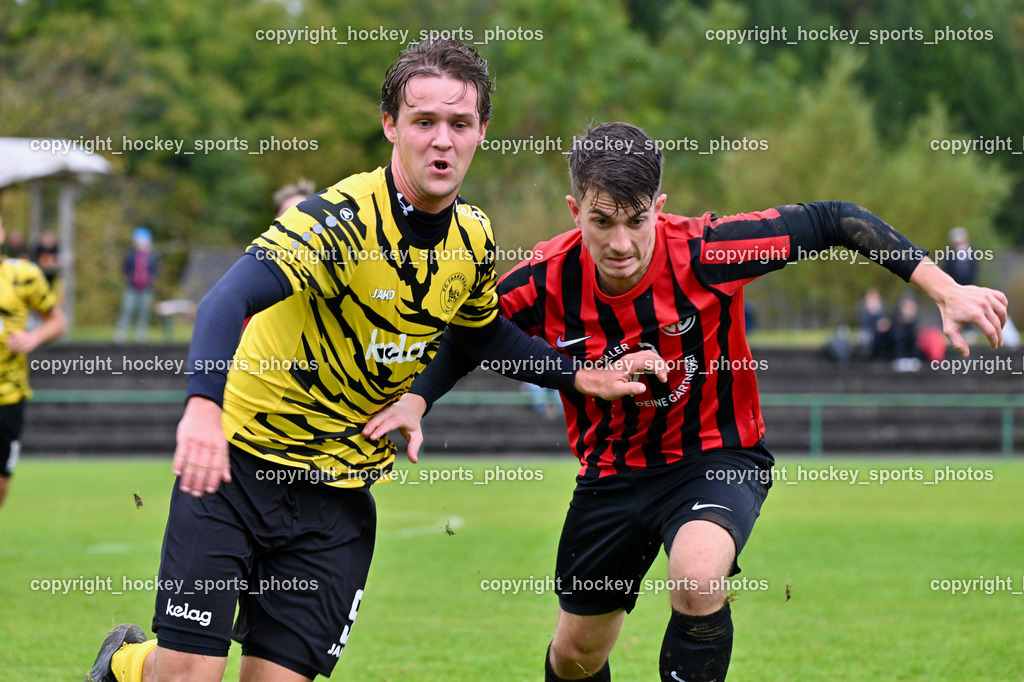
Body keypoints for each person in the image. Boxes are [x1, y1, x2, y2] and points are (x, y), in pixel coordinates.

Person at [85, 42, 659, 682]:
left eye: (460, 124)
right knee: (187, 675)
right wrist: (201, 406)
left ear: (481, 133)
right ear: (391, 125)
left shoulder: (473, 237)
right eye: (424, 122)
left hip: (338, 500)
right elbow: (228, 298)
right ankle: (127, 664)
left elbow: (482, 334)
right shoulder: (339, 222)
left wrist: (578, 375)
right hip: (237, 470)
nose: (442, 141)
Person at [370, 122, 1008, 681]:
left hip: (715, 455)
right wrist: (420, 399)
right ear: (574, 210)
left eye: (636, 220)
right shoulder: (543, 276)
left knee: (698, 577)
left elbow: (832, 218)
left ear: (660, 207)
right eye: (601, 222)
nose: (621, 243)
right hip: (610, 477)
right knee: (575, 657)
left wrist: (943, 286)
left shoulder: (705, 252)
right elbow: (468, 334)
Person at [0, 213, 67, 507]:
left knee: (1, 483)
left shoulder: (23, 275)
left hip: (8, 395)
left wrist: (33, 337)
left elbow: (56, 321)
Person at [113, 227, 158, 343]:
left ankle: (141, 335)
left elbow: (155, 271)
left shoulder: (152, 256)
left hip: (147, 288)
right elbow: (125, 269)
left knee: (144, 312)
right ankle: (120, 334)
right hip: (131, 287)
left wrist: (150, 281)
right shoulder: (130, 255)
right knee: (127, 310)